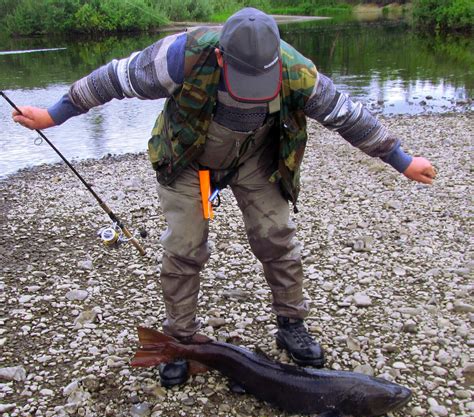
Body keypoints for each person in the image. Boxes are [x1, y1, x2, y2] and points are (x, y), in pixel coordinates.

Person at [12, 8, 436, 387]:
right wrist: (53, 114)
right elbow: (111, 79)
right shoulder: (181, 55)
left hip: (256, 157)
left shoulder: (296, 70)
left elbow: (348, 116)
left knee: (277, 236)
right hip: (188, 159)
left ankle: (291, 324)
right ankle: (179, 341)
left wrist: (401, 159)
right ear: (221, 57)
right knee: (184, 247)